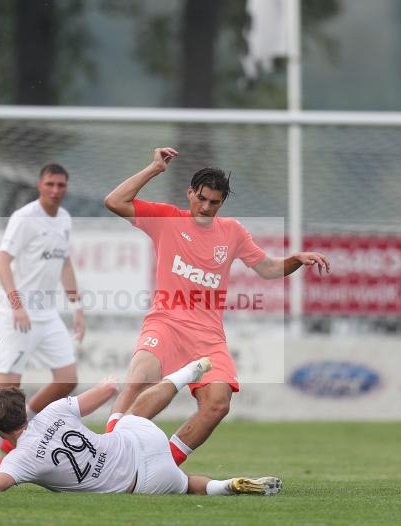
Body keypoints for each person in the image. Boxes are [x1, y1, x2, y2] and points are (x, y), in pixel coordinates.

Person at [101, 147, 329, 466]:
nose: (206, 208)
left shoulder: (232, 232)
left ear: (222, 202)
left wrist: (296, 259)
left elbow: (268, 268)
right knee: (139, 379)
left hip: (207, 337)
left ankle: (160, 466)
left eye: (214, 202)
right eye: (201, 198)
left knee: (218, 404)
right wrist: (154, 168)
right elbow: (114, 201)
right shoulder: (166, 219)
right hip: (165, 324)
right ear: (190, 192)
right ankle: (108, 456)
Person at [0, 359, 282, 496]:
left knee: (185, 484)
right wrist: (111, 385)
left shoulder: (19, 462)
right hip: (144, 442)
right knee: (123, 418)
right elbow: (109, 390)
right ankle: (184, 375)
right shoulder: (52, 411)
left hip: (147, 484)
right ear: (25, 406)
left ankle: (225, 486)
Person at [0, 163, 85, 473]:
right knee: (6, 390)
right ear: (40, 185)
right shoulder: (24, 218)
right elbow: (1, 260)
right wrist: (16, 305)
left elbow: (65, 263)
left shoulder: (64, 219)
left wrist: (77, 305)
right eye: (50, 184)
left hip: (46, 312)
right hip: (16, 312)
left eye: (61, 185)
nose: (55, 190)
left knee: (68, 379)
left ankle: (23, 417)